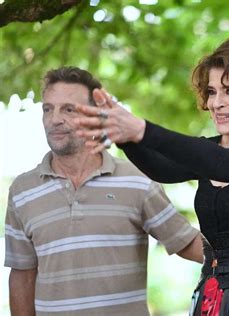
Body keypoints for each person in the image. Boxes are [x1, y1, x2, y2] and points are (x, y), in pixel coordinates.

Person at [75, 38, 229, 315]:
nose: (216, 103)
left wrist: (142, 130)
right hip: (211, 297)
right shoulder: (209, 150)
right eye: (211, 92)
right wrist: (122, 135)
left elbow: (227, 165)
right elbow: (161, 168)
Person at [4, 67, 203, 315]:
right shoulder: (23, 191)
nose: (54, 119)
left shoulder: (137, 180)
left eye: (68, 109)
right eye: (47, 108)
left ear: (95, 116)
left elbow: (186, 242)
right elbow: (22, 275)